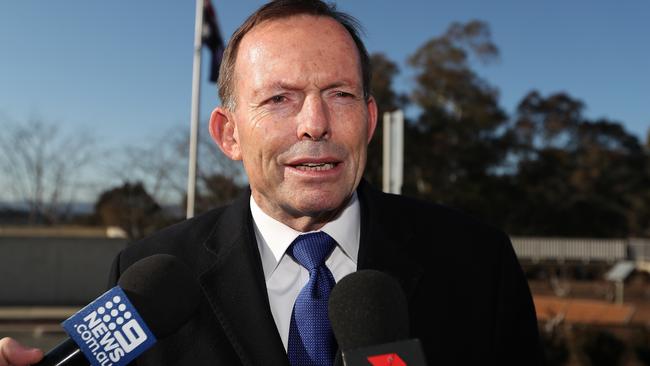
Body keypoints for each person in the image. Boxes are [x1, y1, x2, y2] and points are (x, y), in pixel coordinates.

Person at [0, 1, 543, 365]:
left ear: (370, 121)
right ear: (228, 133)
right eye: (279, 98)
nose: (314, 123)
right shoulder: (151, 279)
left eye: (340, 94)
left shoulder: (477, 261)